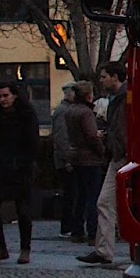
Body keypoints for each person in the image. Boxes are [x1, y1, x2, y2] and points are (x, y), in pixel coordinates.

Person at [0, 82, 40, 265]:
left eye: (5, 96)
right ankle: (0, 248)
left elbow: (32, 141)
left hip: (19, 168)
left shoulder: (26, 112)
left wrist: (22, 162)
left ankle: (25, 248)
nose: (2, 100)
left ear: (14, 95)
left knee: (23, 210)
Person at [78, 61, 127, 267]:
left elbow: (124, 129)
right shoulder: (119, 98)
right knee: (104, 202)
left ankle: (105, 250)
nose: (101, 80)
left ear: (115, 77)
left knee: (107, 202)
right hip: (118, 156)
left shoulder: (124, 98)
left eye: (104, 76)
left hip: (122, 156)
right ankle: (103, 250)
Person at [64, 80, 106, 243]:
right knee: (92, 196)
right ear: (89, 95)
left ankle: (77, 229)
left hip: (76, 156)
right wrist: (101, 149)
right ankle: (93, 231)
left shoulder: (70, 110)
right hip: (89, 158)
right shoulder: (86, 113)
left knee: (80, 195)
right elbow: (91, 136)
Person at [50, 84, 77, 238]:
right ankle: (67, 227)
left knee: (71, 193)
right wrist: (68, 159)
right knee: (70, 194)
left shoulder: (65, 110)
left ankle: (69, 226)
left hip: (65, 158)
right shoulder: (63, 112)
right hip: (65, 160)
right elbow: (61, 137)